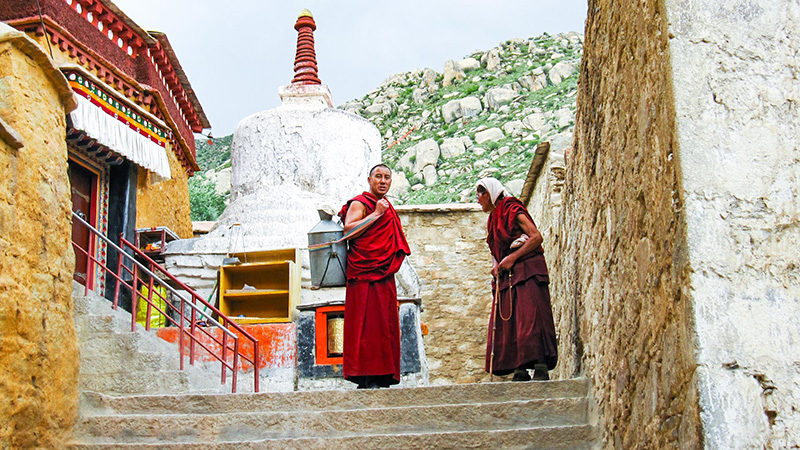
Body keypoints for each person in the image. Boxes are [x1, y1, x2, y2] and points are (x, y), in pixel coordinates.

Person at [476, 177, 558, 381]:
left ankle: (540, 365)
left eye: (480, 193)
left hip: (527, 269)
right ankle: (519, 367)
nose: (478, 199)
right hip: (508, 275)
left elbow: (536, 236)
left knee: (530, 316)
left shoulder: (512, 208)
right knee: (512, 321)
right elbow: (496, 249)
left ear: (490, 193)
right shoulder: (492, 219)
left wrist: (512, 258)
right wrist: (496, 266)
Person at [338, 164, 411, 389]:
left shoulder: (387, 207)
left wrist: (382, 212)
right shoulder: (361, 203)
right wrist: (376, 214)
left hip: (384, 273)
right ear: (369, 180)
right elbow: (348, 231)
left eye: (387, 177)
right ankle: (364, 376)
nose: (382, 181)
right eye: (378, 176)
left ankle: (384, 375)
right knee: (364, 325)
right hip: (363, 274)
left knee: (385, 325)